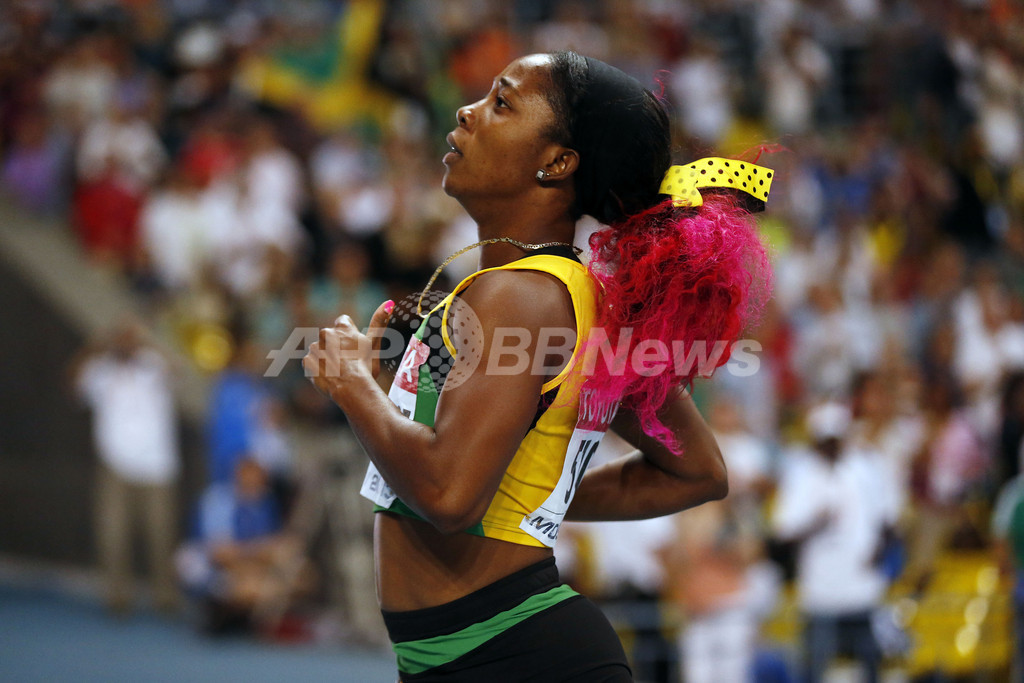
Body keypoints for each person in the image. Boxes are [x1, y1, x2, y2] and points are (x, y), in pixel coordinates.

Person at [303, 51, 772, 681]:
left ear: (557, 163)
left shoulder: (522, 297)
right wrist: (517, 490)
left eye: (501, 103)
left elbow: (446, 494)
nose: (468, 112)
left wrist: (352, 384)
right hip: (474, 653)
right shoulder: (570, 298)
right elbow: (696, 471)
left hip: (515, 654)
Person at [772, 403, 897, 683]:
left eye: (836, 440)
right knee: (817, 665)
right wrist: (816, 522)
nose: (831, 447)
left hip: (863, 583)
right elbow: (782, 530)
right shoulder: (801, 474)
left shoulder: (864, 467)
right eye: (825, 441)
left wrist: (879, 548)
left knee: (870, 663)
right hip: (821, 589)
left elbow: (887, 518)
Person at [71, 318, 181, 615]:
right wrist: (94, 347)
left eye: (130, 337)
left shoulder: (153, 362)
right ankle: (117, 596)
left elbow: (177, 369)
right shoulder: (100, 369)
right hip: (115, 464)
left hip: (157, 466)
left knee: (161, 535)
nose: (125, 343)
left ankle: (166, 596)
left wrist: (147, 341)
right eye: (121, 337)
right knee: (112, 534)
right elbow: (74, 384)